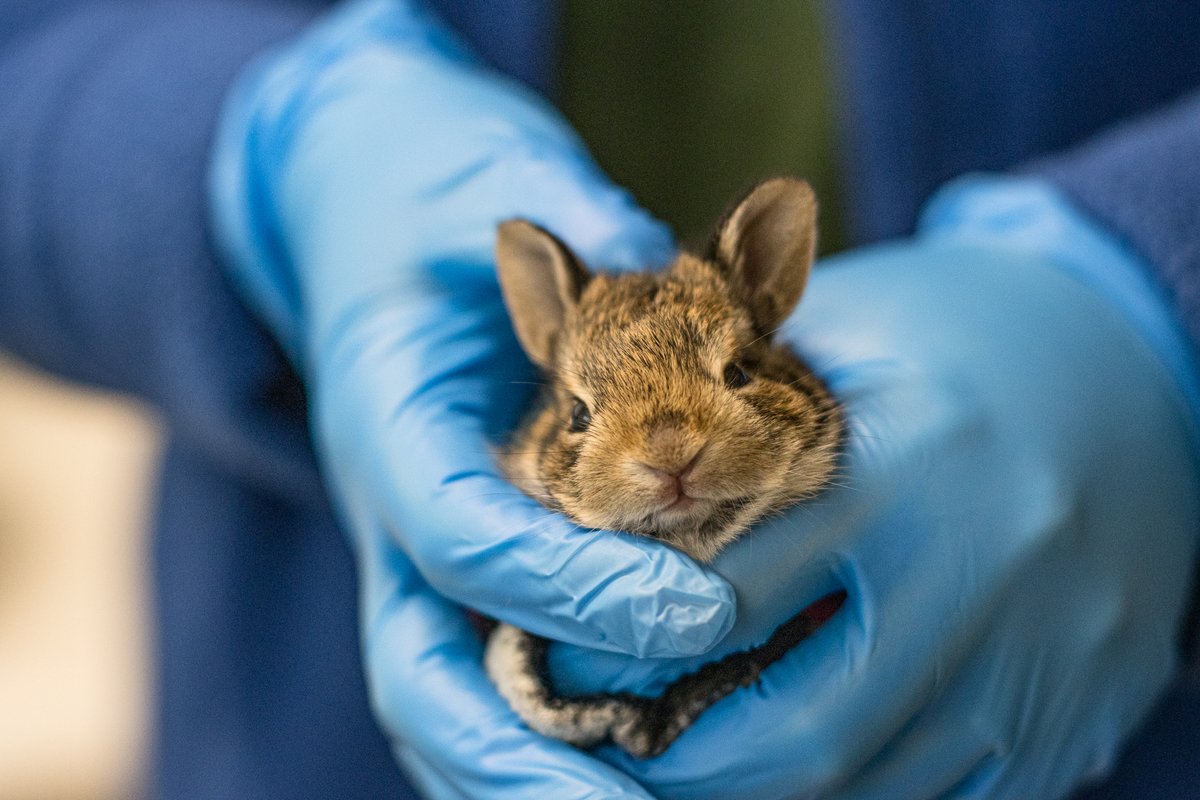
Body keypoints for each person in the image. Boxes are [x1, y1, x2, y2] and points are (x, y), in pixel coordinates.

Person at [2, 1, 1199, 797]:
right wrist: (249, 157)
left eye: (729, 377)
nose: (669, 452)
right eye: (592, 415)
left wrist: (1155, 293)